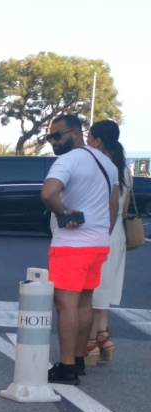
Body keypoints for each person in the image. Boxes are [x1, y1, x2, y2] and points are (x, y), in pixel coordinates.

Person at [41, 114, 119, 385]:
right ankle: (80, 359)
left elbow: (49, 193)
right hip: (98, 244)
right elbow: (114, 205)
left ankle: (66, 367)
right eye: (50, 137)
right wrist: (101, 233)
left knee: (66, 306)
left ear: (76, 133)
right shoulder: (107, 164)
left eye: (57, 136)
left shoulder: (68, 160)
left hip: (72, 245)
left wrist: (63, 212)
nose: (53, 142)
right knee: (85, 303)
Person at [85, 119, 131, 365]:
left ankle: (90, 342)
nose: (88, 141)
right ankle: (104, 337)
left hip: (99, 231)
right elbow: (124, 209)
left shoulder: (97, 165)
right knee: (104, 288)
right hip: (118, 235)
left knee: (92, 289)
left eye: (90, 136)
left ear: (98, 140)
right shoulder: (123, 168)